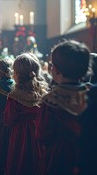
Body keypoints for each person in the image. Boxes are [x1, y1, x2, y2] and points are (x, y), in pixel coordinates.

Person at [35, 40, 90, 175]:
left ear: (57, 71)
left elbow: (42, 135)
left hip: (59, 157)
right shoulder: (92, 95)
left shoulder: (49, 101)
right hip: (89, 152)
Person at [4, 53, 49, 175]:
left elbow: (9, 119)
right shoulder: (44, 94)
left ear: (17, 75)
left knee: (20, 160)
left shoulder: (14, 97)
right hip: (38, 132)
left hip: (20, 134)